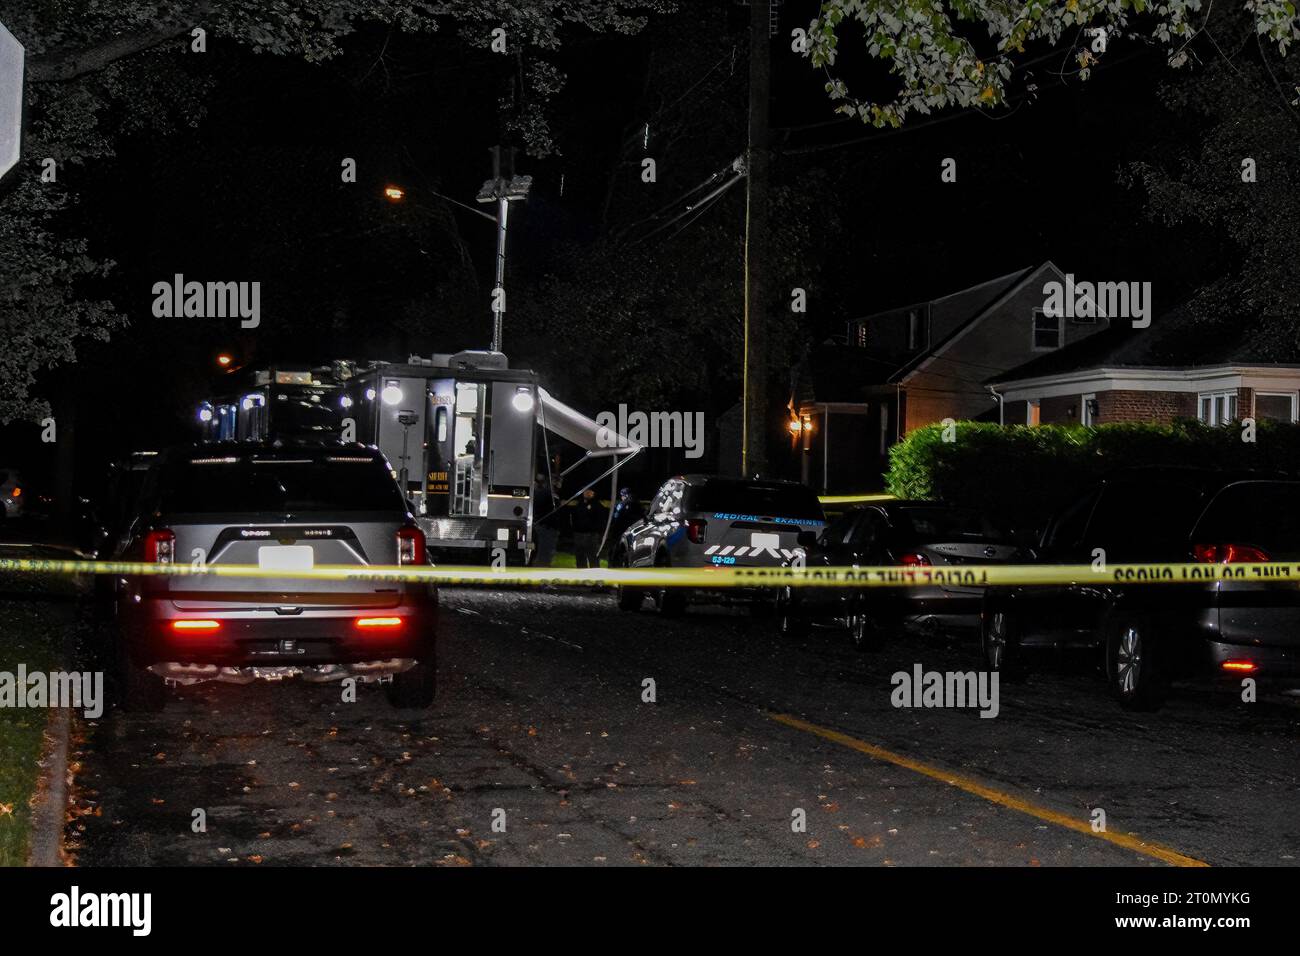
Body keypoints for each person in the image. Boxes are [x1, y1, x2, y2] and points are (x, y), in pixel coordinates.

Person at [570, 488, 608, 569]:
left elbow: (601, 520)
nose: (587, 493)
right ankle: (582, 577)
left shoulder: (597, 505)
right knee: (580, 557)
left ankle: (594, 577)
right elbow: (573, 518)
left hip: (591, 535)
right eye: (585, 491)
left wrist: (598, 532)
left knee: (593, 557)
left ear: (593, 493)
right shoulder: (579, 504)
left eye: (589, 492)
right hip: (579, 535)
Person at [531, 472, 561, 567]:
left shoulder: (550, 494)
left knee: (546, 551)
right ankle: (541, 567)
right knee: (544, 551)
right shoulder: (545, 494)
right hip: (546, 527)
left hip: (548, 527)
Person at [607, 487, 644, 555]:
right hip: (634, 530)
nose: (622, 497)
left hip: (622, 531)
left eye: (622, 495)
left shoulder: (622, 504)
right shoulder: (638, 504)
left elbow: (616, 517)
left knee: (618, 549)